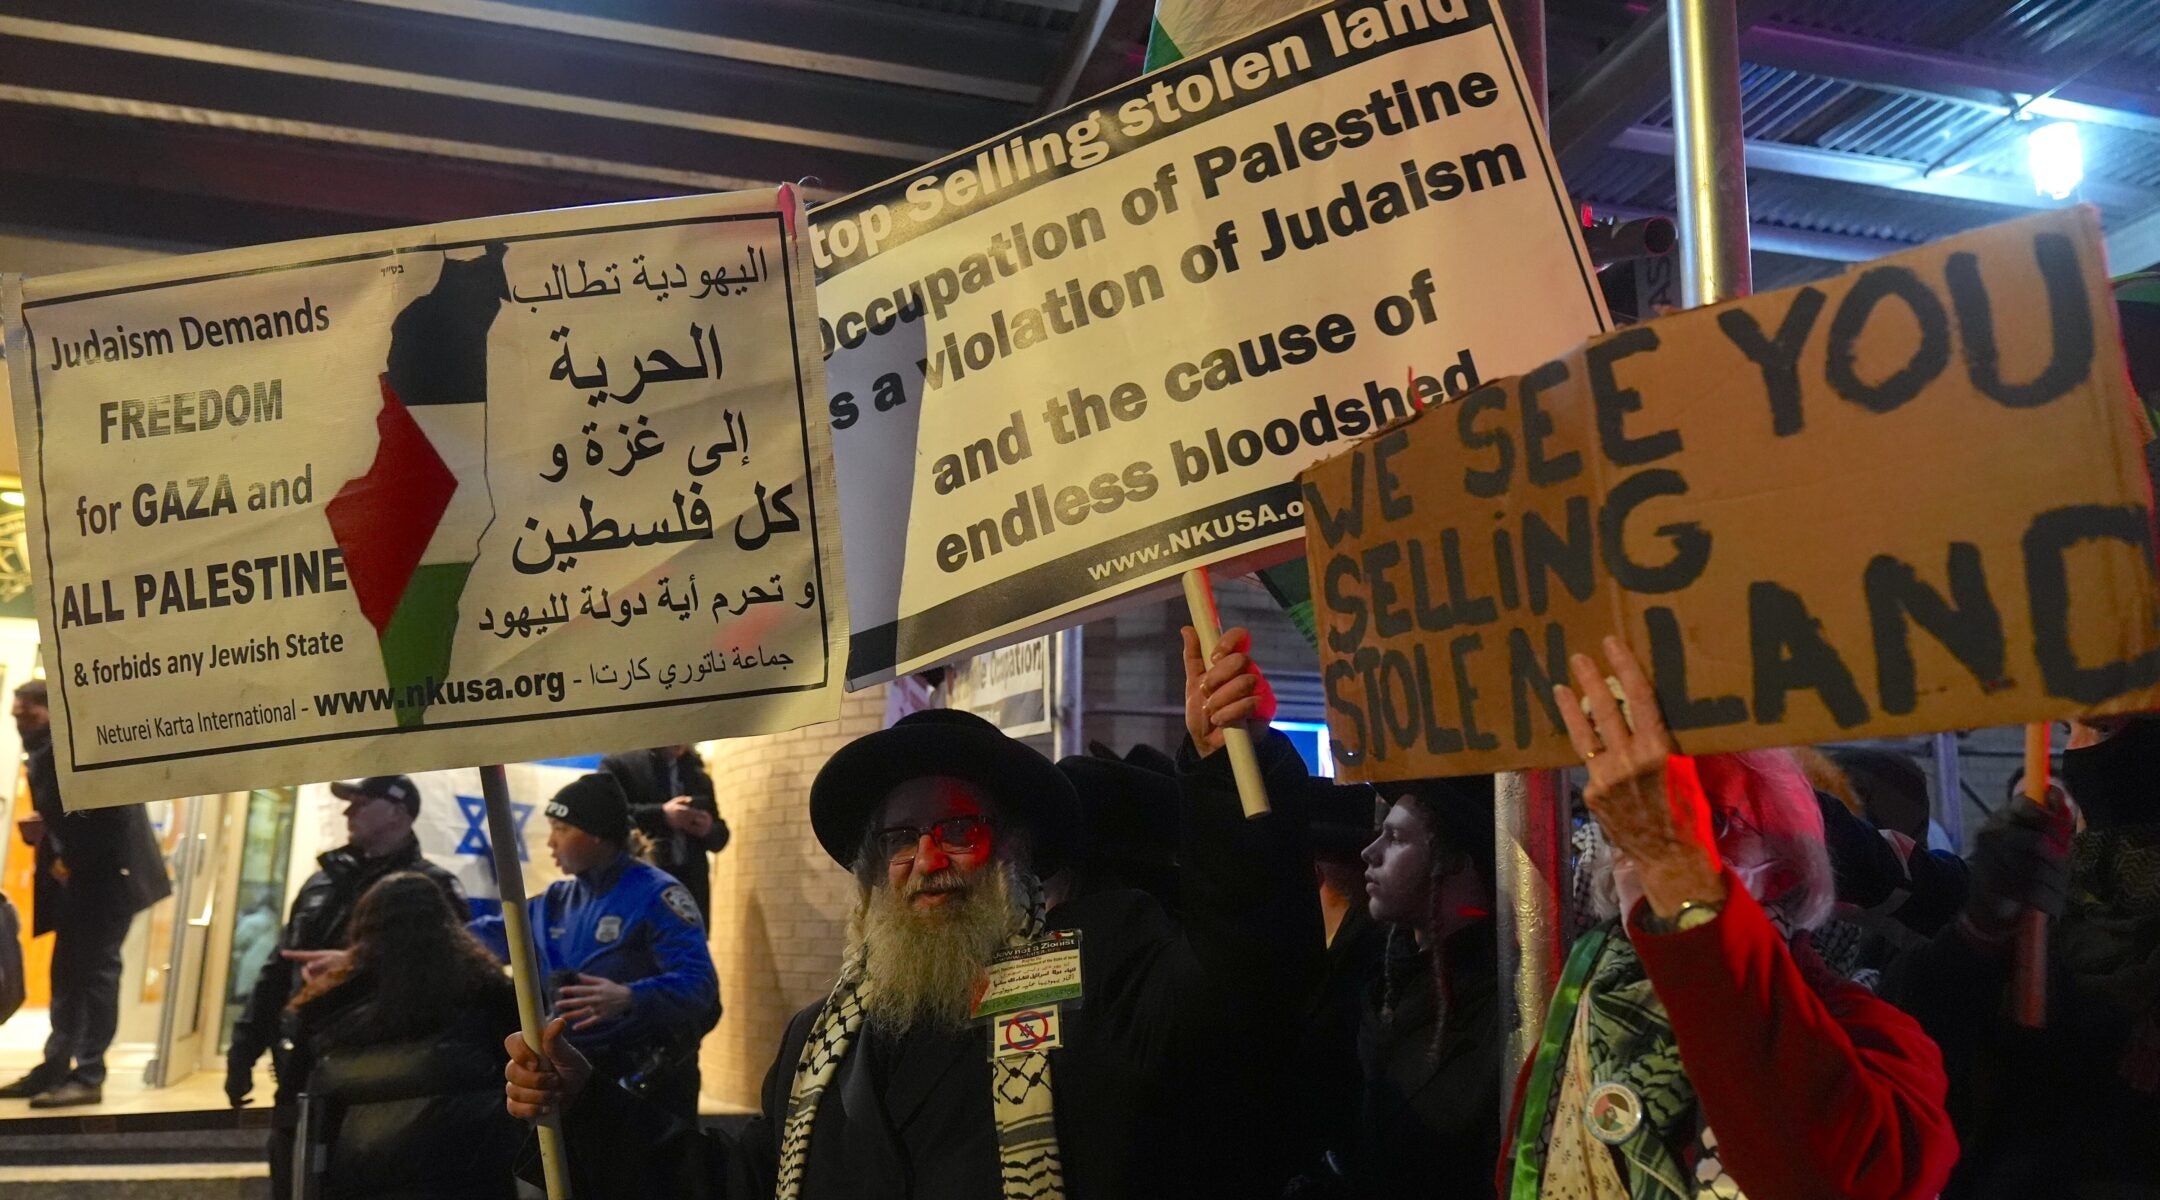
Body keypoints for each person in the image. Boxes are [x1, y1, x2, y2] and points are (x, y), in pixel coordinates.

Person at [503, 625, 1318, 1200]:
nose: (927, 859)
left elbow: (1249, 982)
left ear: (1018, 849)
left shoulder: (1107, 962)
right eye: (900, 836)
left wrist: (1227, 767)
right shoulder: (819, 1038)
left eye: (959, 828)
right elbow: (737, 1185)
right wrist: (585, 1105)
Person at [1503, 638, 1958, 1200]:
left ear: (1789, 871)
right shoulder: (1586, 1006)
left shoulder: (1874, 1036)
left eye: (1708, 821)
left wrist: (1677, 867)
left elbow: (1830, 1177)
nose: (1644, 838)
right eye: (1629, 816)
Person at [1885, 715, 2160, 1198]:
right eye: (2084, 726)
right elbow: (1905, 1051)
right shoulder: (2028, 894)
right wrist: (1981, 931)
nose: (2080, 748)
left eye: (2110, 729)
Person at [228, 774, 463, 1198]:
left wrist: (357, 965)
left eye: (361, 803)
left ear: (398, 813)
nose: (347, 812)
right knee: (292, 1178)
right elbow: (278, 969)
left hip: (382, 1081)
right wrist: (243, 1048)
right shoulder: (323, 881)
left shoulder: (429, 889)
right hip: (303, 1069)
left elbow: (448, 980)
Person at [471, 772, 717, 1122]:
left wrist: (629, 996)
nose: (551, 842)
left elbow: (700, 985)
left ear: (598, 835)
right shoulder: (556, 900)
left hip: (646, 1087)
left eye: (561, 828)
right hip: (574, 1080)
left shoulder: (657, 894)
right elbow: (483, 939)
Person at [279, 871, 524, 1200]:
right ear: (447, 924)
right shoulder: (488, 993)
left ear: (362, 929)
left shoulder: (328, 1006)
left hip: (359, 1180)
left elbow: (298, 1108)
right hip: (470, 1178)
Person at [0, 680, 171, 1109]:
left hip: (105, 880)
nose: (21, 723)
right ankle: (57, 1067)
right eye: (17, 716)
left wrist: (66, 851)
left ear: (53, 711)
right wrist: (51, 833)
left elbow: (109, 818)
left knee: (93, 975)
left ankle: (88, 1074)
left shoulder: (76, 749)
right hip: (90, 879)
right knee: (69, 976)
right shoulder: (52, 749)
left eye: (29, 715)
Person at [1329, 776, 1500, 1199]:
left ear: (1456, 860)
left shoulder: (1500, 1004)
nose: (1369, 852)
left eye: (1397, 837)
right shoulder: (1382, 974)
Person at [601, 744, 730, 925]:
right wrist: (662, 814)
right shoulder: (619, 764)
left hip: (690, 895)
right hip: (637, 887)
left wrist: (707, 829)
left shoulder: (698, 776)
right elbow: (606, 816)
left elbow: (720, 838)